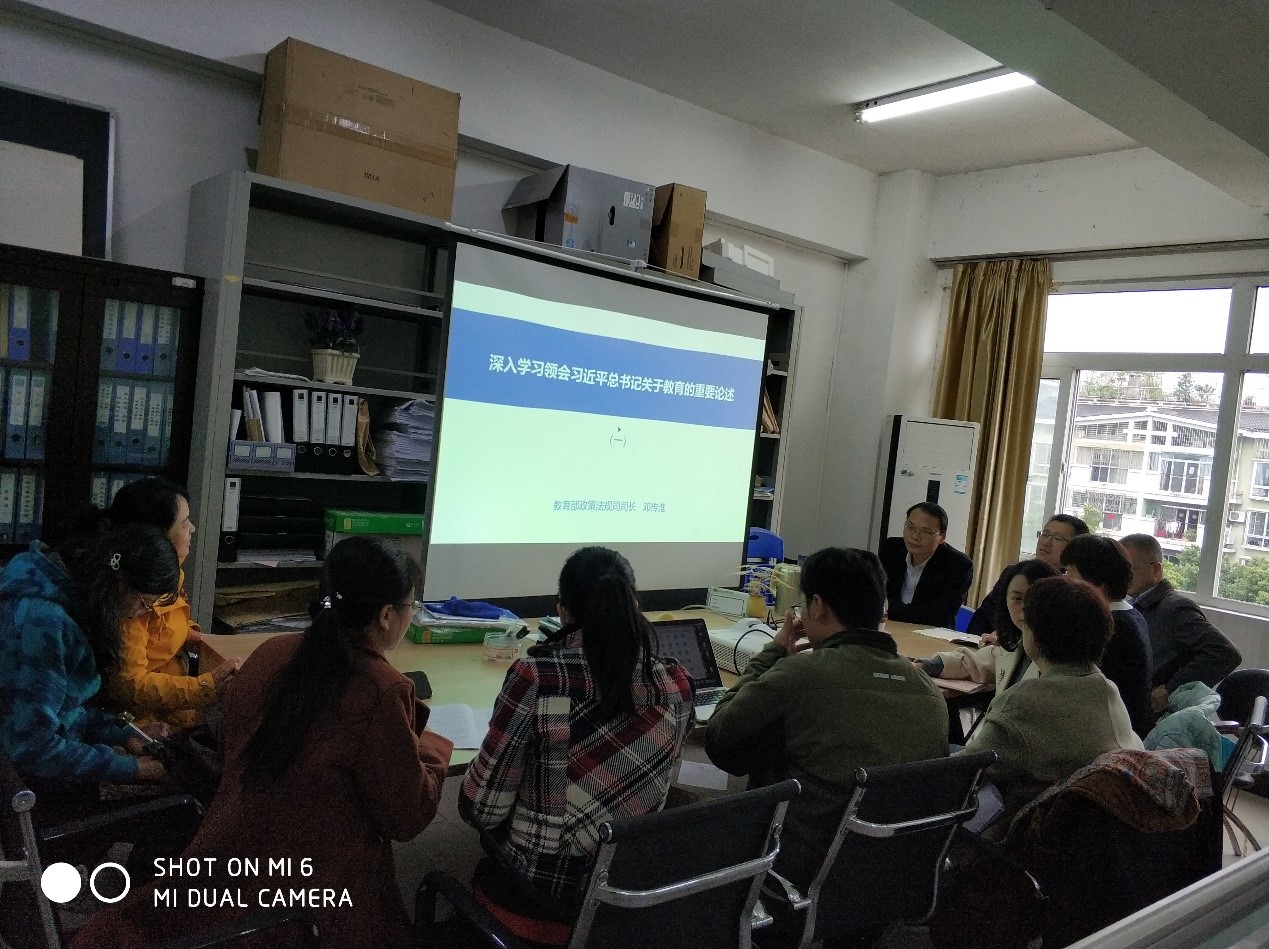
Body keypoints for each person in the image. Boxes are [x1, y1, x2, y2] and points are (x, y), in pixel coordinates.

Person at [74, 536, 454, 949]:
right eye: (411, 605)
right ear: (385, 616)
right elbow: (407, 817)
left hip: (224, 860)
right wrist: (431, 748)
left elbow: (227, 748)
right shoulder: (382, 690)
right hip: (307, 894)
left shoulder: (272, 651)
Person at [460, 546, 694, 945]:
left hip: (540, 899)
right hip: (625, 894)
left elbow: (481, 808)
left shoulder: (537, 678)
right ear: (633, 605)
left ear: (562, 612)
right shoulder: (675, 684)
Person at [705, 547, 948, 892]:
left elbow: (719, 740)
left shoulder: (800, 673)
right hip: (893, 874)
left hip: (797, 871)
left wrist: (773, 654)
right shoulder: (928, 689)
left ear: (817, 606)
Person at [0, 525, 178, 811]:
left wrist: (126, 735)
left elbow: (66, 708)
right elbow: (33, 747)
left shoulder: (67, 595)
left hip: (42, 770)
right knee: (176, 808)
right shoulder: (42, 622)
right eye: (144, 603)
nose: (138, 614)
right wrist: (136, 769)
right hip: (26, 791)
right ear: (121, 582)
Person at [963, 575, 1143, 822]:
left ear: (1035, 635)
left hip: (1026, 830)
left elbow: (963, 773)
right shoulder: (1107, 690)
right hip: (1089, 830)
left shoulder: (1022, 701)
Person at [80, 477, 240, 728]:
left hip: (169, 711)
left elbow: (160, 629)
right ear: (156, 537)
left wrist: (187, 634)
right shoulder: (131, 596)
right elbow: (129, 684)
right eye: (184, 523)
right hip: (137, 725)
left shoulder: (166, 573)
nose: (192, 529)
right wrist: (206, 687)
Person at [1121, 533, 1241, 713]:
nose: (1122, 576)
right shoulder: (1134, 605)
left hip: (1151, 715)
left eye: (1130, 569)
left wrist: (1170, 688)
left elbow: (1226, 653)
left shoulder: (1174, 608)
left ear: (1155, 569)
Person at [1059, 534, 1153, 737]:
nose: (1064, 581)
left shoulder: (1111, 626)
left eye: (1069, 573)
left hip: (1111, 736)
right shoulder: (1130, 614)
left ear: (1097, 584)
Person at [917, 558, 1059, 692]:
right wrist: (923, 666)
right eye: (1017, 598)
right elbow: (973, 663)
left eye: (1034, 599)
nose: (1024, 608)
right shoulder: (1014, 645)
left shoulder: (1060, 661)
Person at [965, 514, 1089, 642]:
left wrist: (1006, 640)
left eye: (1057, 538)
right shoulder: (1016, 574)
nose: (1046, 542)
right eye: (1045, 534)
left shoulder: (1073, 589)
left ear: (1074, 548)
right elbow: (983, 617)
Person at [879, 501, 974, 629]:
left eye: (926, 532)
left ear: (942, 537)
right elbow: (875, 596)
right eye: (910, 527)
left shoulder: (959, 565)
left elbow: (939, 616)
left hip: (929, 633)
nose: (915, 536)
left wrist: (888, 607)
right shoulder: (891, 549)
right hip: (889, 626)